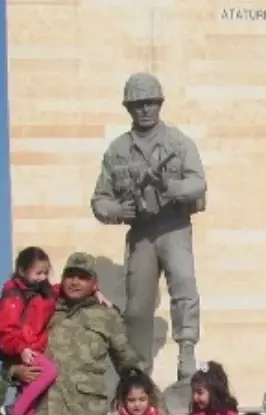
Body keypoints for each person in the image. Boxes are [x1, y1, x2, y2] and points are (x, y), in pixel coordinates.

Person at [90, 72, 207, 381]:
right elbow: (100, 199)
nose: (145, 110)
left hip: (174, 226)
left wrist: (172, 187)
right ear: (128, 107)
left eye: (151, 103)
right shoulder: (117, 150)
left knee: (184, 286)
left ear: (160, 104)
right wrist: (118, 210)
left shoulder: (178, 142)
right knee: (137, 307)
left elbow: (198, 182)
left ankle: (187, 352)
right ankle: (138, 371)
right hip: (141, 232)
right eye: (139, 104)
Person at [6, 252, 143, 415]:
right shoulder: (42, 308)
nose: (75, 282)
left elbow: (127, 362)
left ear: (94, 283)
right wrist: (15, 371)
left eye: (83, 277)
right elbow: (10, 351)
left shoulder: (106, 317)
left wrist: (148, 397)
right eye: (71, 275)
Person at [0, 247, 60, 415]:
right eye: (38, 273)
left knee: (30, 402)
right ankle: (12, 412)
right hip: (24, 348)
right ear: (22, 271)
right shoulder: (14, 295)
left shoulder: (43, 292)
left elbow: (60, 288)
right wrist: (20, 348)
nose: (43, 277)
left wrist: (96, 289)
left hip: (33, 346)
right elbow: (5, 328)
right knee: (49, 371)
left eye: (46, 273)